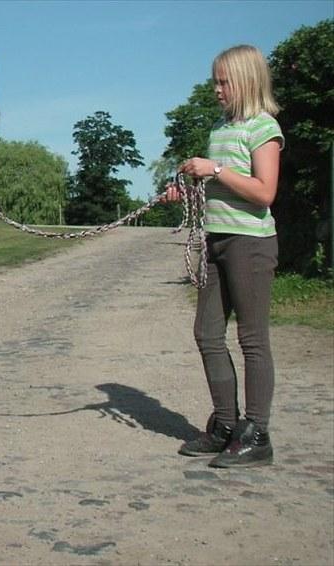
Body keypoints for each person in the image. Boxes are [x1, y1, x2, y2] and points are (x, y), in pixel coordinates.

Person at [165, 45, 283, 468]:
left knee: (252, 339)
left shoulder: (263, 127)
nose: (216, 89)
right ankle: (226, 425)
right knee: (207, 333)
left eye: (223, 81)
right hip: (216, 240)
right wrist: (192, 187)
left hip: (249, 243)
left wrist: (213, 170)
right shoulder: (220, 128)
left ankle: (258, 433)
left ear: (246, 81)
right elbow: (224, 185)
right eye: (215, 81)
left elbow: (264, 191)